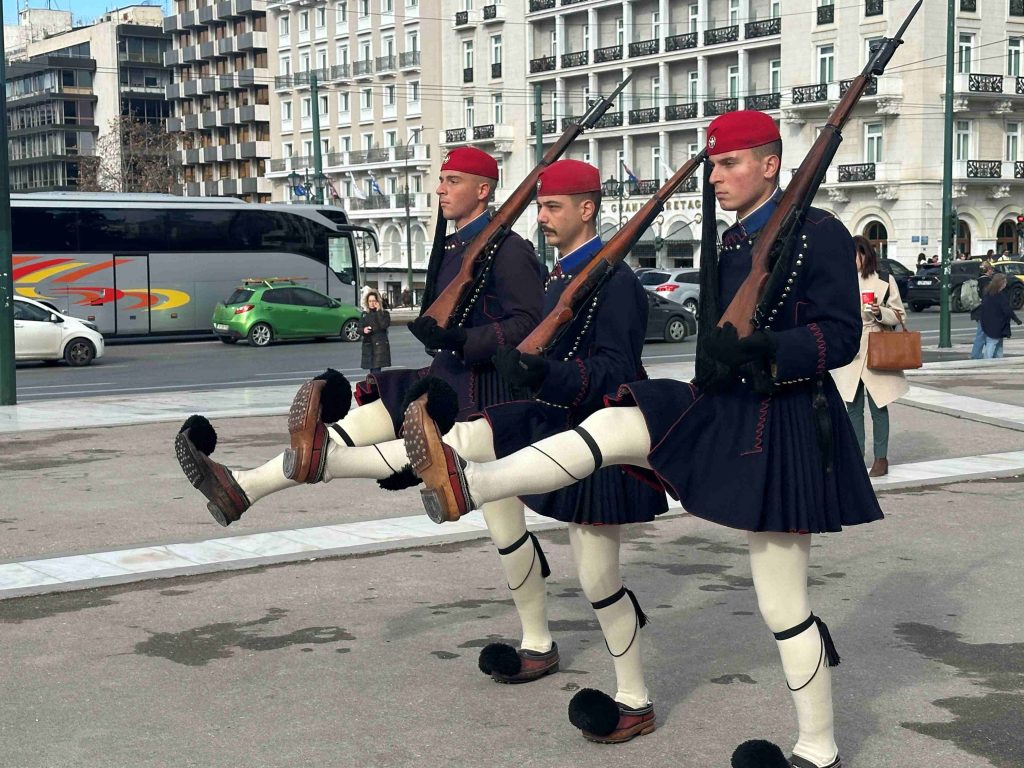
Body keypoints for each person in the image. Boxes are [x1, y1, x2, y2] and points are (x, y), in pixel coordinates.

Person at [404, 110, 881, 768]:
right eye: (714, 165)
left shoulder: (818, 231)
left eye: (729, 163)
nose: (716, 177)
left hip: (785, 417)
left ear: (771, 164)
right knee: (619, 419)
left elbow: (843, 335)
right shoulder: (733, 240)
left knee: (783, 603)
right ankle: (472, 483)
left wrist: (773, 348)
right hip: (723, 404)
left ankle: (818, 751)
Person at [174, 145, 551, 679]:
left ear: (484, 190)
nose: (440, 188)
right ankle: (242, 487)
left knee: (505, 527)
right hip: (443, 379)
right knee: (350, 425)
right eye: (441, 179)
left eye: (452, 180)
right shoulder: (454, 243)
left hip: (486, 391)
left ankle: (538, 641)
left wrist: (464, 339)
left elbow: (529, 325)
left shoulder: (509, 250)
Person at [406, 159, 666, 743]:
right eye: (541, 206)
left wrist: (548, 373)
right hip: (554, 426)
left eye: (553, 207)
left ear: (587, 210)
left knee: (599, 580)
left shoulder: (617, 282)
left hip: (598, 438)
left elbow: (619, 371)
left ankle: (634, 699)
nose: (542, 217)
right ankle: (437, 471)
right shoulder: (557, 278)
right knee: (476, 442)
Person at [831, 236, 908, 478]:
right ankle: (856, 458)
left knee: (879, 406)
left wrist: (879, 311)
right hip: (850, 348)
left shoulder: (884, 280)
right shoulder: (839, 280)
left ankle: (881, 458)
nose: (850, 259)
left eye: (854, 254)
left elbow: (899, 315)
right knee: (852, 408)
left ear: (865, 255)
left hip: (877, 346)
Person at [978, 272, 1023, 359]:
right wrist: (1016, 319)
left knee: (996, 343)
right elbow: (1007, 310)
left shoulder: (987, 294)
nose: (1006, 283)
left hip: (987, 322)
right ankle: (988, 360)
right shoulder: (1000, 296)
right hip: (998, 324)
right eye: (1005, 281)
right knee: (993, 343)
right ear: (1001, 283)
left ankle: (998, 360)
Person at [360, 289, 391, 376]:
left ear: (378, 301)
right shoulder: (365, 314)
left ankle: (377, 384)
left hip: (379, 345)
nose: (372, 303)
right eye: (370, 301)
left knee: (376, 371)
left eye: (374, 301)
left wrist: (378, 311)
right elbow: (359, 328)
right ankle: (375, 384)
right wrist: (364, 330)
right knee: (372, 371)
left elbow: (384, 325)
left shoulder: (384, 313)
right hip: (368, 345)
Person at [969, 261, 995, 359]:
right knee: (982, 334)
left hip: (977, 309)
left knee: (983, 333)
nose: (992, 271)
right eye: (991, 269)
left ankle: (980, 354)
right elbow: (987, 297)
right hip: (984, 311)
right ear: (989, 270)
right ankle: (976, 355)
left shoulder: (977, 280)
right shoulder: (987, 281)